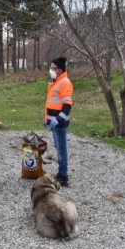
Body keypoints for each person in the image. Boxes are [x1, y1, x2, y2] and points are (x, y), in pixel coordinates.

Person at [44, 57, 74, 187]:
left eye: (53, 68)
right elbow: (51, 104)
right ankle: (61, 173)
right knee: (58, 148)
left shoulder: (65, 83)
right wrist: (47, 119)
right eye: (50, 67)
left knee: (62, 150)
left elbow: (67, 106)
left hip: (59, 124)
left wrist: (58, 119)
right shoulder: (56, 82)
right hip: (53, 123)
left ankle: (63, 176)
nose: (51, 70)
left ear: (60, 70)